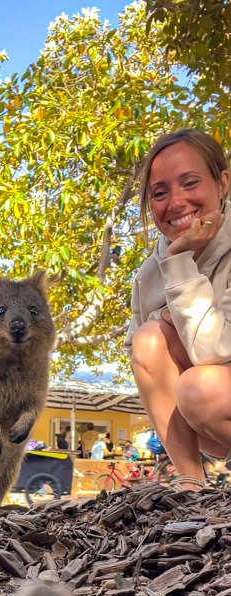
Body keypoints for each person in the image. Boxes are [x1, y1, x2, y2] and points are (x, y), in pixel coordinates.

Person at [125, 128, 231, 490]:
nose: (177, 202)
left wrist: (180, 262)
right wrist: (161, 319)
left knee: (200, 388)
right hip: (208, 416)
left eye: (190, 183)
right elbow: (139, 356)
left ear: (222, 184)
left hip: (214, 397)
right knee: (150, 338)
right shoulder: (149, 271)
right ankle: (191, 486)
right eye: (160, 193)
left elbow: (213, 350)